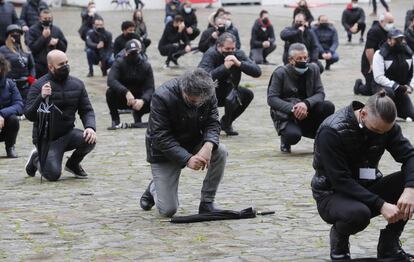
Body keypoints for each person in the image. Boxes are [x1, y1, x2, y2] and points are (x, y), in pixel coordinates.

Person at [311, 91, 414, 261]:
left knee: (412, 181)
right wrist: (381, 204)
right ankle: (339, 242)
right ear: (363, 114)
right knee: (359, 214)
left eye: (384, 132)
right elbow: (340, 181)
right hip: (332, 194)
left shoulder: (385, 127)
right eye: (375, 130)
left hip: (368, 185)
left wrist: (410, 189)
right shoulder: (331, 131)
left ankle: (389, 245)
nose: (379, 135)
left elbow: (410, 156)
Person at [139, 68, 227, 217]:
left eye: (201, 100)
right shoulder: (162, 96)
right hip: (164, 151)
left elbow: (213, 122)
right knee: (168, 210)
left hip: (193, 140)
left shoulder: (208, 92)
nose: (198, 103)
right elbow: (160, 136)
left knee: (221, 151)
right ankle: (154, 187)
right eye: (193, 100)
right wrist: (187, 159)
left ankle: (207, 203)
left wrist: (208, 144)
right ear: (183, 90)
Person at [24, 50, 96, 181]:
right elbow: (29, 115)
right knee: (53, 175)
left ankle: (72, 164)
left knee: (90, 139)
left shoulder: (77, 84)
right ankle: (36, 158)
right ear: (51, 67)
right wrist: (41, 97)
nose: (66, 66)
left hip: (67, 133)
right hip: (46, 138)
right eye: (61, 64)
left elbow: (86, 110)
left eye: (67, 62)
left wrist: (90, 127)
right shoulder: (38, 85)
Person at [267, 43, 334, 153]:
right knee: (293, 136)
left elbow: (320, 93)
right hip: (288, 115)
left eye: (305, 57)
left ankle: (319, 140)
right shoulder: (280, 73)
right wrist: (293, 108)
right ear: (291, 60)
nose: (303, 60)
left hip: (309, 111)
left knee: (328, 106)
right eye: (299, 58)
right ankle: (285, 140)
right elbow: (272, 99)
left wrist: (306, 104)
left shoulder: (314, 69)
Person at [199, 33, 261, 136]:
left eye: (233, 48)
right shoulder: (210, 54)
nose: (230, 51)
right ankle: (205, 126)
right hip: (211, 92)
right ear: (219, 46)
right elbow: (203, 77)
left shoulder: (238, 54)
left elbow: (257, 72)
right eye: (227, 49)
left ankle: (226, 123)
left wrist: (239, 64)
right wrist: (224, 67)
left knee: (248, 94)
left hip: (230, 90)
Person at [106, 40, 154, 129]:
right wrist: (126, 92)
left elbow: (150, 88)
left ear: (139, 52)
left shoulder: (146, 66)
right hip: (124, 98)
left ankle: (140, 117)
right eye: (131, 53)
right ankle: (115, 119)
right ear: (126, 52)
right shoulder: (119, 63)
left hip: (139, 98)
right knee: (110, 92)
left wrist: (143, 100)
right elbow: (111, 80)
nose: (134, 55)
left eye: (136, 52)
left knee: (155, 97)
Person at [371, 29, 414, 122]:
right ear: (389, 40)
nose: (400, 42)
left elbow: (413, 73)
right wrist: (398, 87)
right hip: (382, 87)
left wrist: (410, 86)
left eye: (401, 39)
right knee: (389, 92)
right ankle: (379, 111)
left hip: (401, 89)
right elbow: (379, 77)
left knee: (412, 115)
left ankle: (395, 110)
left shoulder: (409, 54)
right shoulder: (379, 54)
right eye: (396, 40)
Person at [354, 12, 395, 96]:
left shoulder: (390, 30)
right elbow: (369, 49)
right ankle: (358, 86)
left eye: (392, 22)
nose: (391, 24)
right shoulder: (374, 31)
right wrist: (371, 64)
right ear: (381, 21)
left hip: (382, 62)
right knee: (369, 91)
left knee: (381, 84)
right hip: (369, 62)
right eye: (389, 22)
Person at [26, 9, 67, 78]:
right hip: (38, 66)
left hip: (54, 66)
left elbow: (64, 48)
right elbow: (32, 48)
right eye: (45, 18)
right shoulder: (33, 30)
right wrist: (43, 37)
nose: (47, 20)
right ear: (40, 18)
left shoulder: (56, 30)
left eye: (49, 18)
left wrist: (58, 42)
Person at [0, 24, 36, 103]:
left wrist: (31, 78)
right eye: (13, 34)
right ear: (8, 36)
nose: (16, 36)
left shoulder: (26, 49)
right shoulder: (2, 50)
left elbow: (32, 66)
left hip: (25, 85)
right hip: (10, 85)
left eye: (18, 34)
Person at [0, 54, 23, 158]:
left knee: (13, 119)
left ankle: (10, 147)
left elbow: (19, 105)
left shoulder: (9, 84)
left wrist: (2, 114)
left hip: (4, 125)